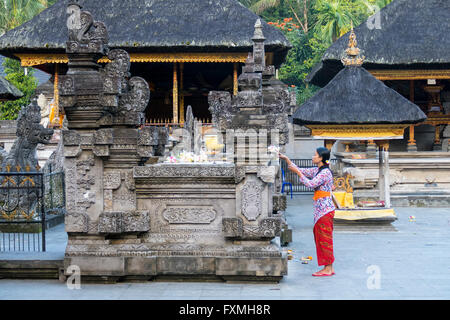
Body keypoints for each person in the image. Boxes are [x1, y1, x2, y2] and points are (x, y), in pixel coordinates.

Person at [279, 147, 336, 277]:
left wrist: (298, 174)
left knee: (324, 239)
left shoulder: (325, 173)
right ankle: (328, 267)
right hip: (321, 211)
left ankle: (328, 268)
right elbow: (301, 170)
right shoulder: (318, 170)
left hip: (325, 210)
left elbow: (311, 184)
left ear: (321, 158)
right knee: (320, 238)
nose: (312, 157)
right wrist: (287, 159)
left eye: (315, 155)